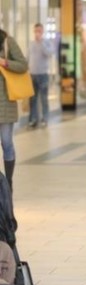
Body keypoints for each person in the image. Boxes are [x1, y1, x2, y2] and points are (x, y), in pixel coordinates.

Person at [0, 28, 28, 190]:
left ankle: (8, 181)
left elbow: (23, 65)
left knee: (7, 142)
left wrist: (5, 62)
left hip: (5, 102)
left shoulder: (7, 41)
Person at [28, 23, 54, 128]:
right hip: (32, 74)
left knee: (44, 98)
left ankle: (45, 118)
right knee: (32, 99)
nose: (37, 33)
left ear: (42, 31)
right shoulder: (31, 44)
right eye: (35, 31)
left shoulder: (47, 42)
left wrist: (41, 43)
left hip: (43, 74)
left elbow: (49, 54)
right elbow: (27, 57)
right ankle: (33, 119)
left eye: (39, 31)